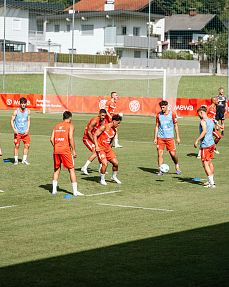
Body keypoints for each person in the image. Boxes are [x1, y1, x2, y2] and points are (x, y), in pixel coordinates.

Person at [50, 111, 83, 196]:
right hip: (65, 150)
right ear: (70, 118)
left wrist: (56, 146)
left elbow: (51, 139)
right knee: (71, 169)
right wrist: (73, 150)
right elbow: (70, 137)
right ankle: (75, 192)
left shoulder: (56, 126)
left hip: (56, 150)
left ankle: (54, 190)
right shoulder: (70, 126)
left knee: (56, 170)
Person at [153, 100, 181, 175]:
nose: (162, 109)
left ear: (167, 106)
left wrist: (178, 137)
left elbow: (176, 125)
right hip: (160, 138)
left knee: (173, 154)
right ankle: (160, 170)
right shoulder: (158, 115)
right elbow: (156, 126)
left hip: (170, 138)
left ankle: (177, 165)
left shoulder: (172, 114)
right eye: (161, 107)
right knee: (160, 153)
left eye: (163, 107)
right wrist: (155, 138)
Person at [93, 114, 122, 185]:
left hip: (108, 149)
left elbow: (111, 140)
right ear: (114, 121)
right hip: (100, 149)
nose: (119, 124)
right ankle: (102, 179)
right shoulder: (104, 127)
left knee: (116, 163)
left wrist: (110, 148)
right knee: (105, 164)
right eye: (118, 123)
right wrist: (96, 146)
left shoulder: (114, 131)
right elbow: (95, 135)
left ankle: (114, 177)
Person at [194, 106, 216, 188]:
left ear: (201, 113)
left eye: (198, 114)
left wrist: (197, 140)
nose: (198, 116)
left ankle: (212, 183)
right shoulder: (210, 120)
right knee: (210, 162)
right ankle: (210, 180)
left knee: (205, 163)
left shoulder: (203, 121)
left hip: (205, 145)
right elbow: (213, 130)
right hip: (212, 144)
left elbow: (204, 131)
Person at [81, 109, 107, 175]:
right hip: (87, 138)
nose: (103, 117)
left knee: (100, 151)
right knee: (96, 152)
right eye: (102, 115)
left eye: (104, 116)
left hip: (93, 138)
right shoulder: (94, 121)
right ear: (99, 114)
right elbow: (88, 132)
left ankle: (100, 168)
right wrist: (94, 141)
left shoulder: (103, 121)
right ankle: (84, 167)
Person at [11, 97, 31, 165]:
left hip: (25, 132)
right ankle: (16, 160)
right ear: (20, 104)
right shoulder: (16, 111)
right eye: (22, 103)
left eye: (24, 103)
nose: (23, 104)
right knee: (17, 145)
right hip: (18, 133)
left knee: (27, 145)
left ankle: (24, 160)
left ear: (26, 104)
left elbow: (28, 120)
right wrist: (14, 129)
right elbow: (11, 120)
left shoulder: (28, 111)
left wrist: (28, 129)